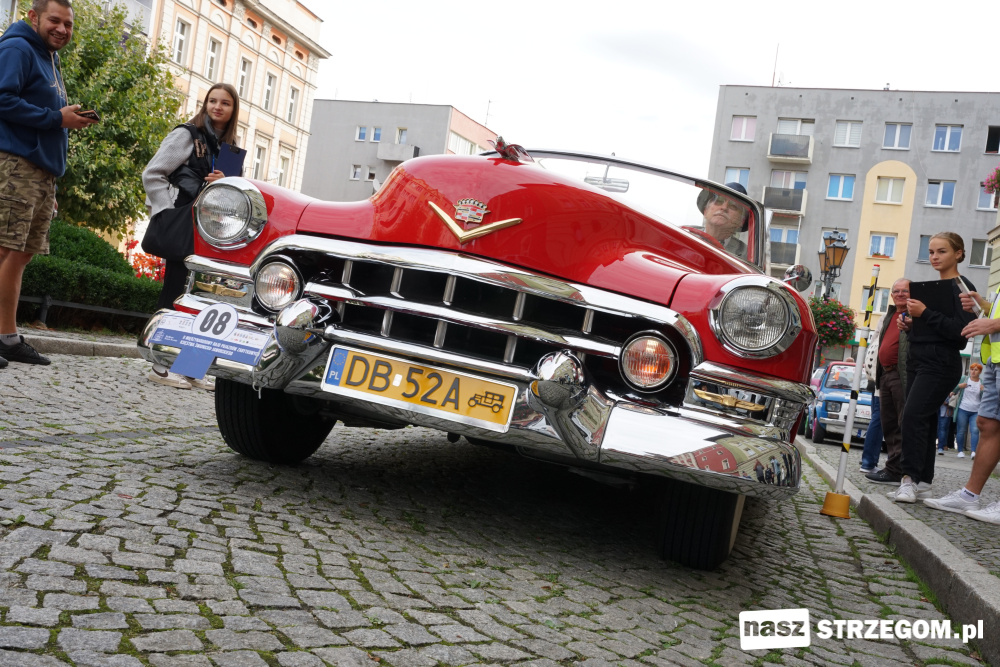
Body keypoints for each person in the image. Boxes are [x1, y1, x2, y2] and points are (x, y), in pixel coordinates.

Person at [0, 0, 98, 370]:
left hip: (40, 172)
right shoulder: (17, 48)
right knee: (4, 250)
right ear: (33, 17)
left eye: (68, 24)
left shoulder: (49, 58)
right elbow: (2, 100)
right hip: (15, 164)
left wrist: (49, 180)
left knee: (21, 254)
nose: (62, 29)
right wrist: (56, 118)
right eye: (54, 21)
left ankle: (7, 338)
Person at [142, 82, 239, 390]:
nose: (218, 106)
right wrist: (164, 210)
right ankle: (161, 365)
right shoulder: (187, 134)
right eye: (212, 100)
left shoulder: (232, 147)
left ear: (233, 109)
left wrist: (229, 181)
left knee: (208, 296)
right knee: (175, 288)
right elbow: (153, 173)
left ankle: (192, 367)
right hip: (183, 220)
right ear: (205, 103)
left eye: (225, 102)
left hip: (213, 230)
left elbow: (235, 195)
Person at [894, 233, 977, 503]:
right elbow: (933, 326)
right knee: (925, 421)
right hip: (919, 358)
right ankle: (923, 482)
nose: (934, 257)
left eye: (941, 251)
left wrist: (925, 314)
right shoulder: (932, 287)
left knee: (912, 416)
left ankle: (908, 479)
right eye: (931, 252)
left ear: (959, 254)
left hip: (941, 362)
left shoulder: (961, 286)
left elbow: (960, 332)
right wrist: (911, 325)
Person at [924, 289, 1000, 521]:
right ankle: (969, 495)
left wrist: (994, 324)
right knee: (987, 424)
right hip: (995, 359)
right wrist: (984, 306)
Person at [865, 279, 911, 488]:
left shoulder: (913, 316)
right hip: (885, 375)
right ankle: (892, 470)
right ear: (892, 295)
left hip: (902, 376)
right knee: (889, 423)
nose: (900, 294)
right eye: (896, 291)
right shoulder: (889, 315)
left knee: (903, 424)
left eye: (905, 291)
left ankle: (901, 471)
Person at [690, 182, 750, 259]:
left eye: (733, 206)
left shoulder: (747, 256)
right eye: (718, 201)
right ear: (706, 210)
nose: (724, 207)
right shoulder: (684, 235)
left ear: (741, 221)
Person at [951, 363, 983, 459]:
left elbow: (985, 398)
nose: (973, 371)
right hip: (963, 409)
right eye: (972, 369)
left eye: (976, 370)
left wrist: (983, 391)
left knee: (975, 430)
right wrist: (959, 386)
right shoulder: (964, 379)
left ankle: (973, 451)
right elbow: (953, 391)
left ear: (980, 372)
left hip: (976, 410)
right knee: (961, 431)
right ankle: (960, 451)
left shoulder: (981, 383)